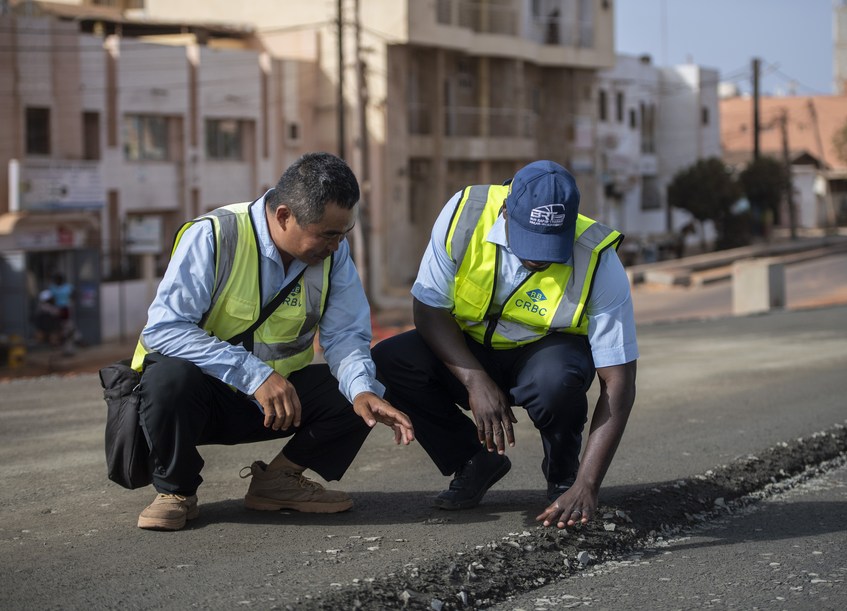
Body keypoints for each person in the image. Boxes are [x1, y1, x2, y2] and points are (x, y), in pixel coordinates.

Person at [130, 152, 414, 531]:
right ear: (283, 216)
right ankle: (176, 491)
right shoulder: (215, 235)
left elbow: (345, 335)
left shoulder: (333, 254)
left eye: (342, 233)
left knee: (366, 387)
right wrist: (254, 375)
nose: (336, 245)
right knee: (167, 378)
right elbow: (164, 330)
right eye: (327, 234)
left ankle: (279, 480)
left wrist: (362, 390)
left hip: (276, 406)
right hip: (199, 403)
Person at [371, 160, 638, 529]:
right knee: (388, 360)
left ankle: (563, 477)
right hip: (468, 347)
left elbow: (619, 380)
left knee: (557, 381)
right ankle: (474, 460)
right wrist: (475, 381)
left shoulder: (598, 257)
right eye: (530, 240)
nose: (538, 258)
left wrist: (588, 484)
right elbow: (428, 308)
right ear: (505, 212)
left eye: (551, 246)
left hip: (544, 353)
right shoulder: (465, 215)